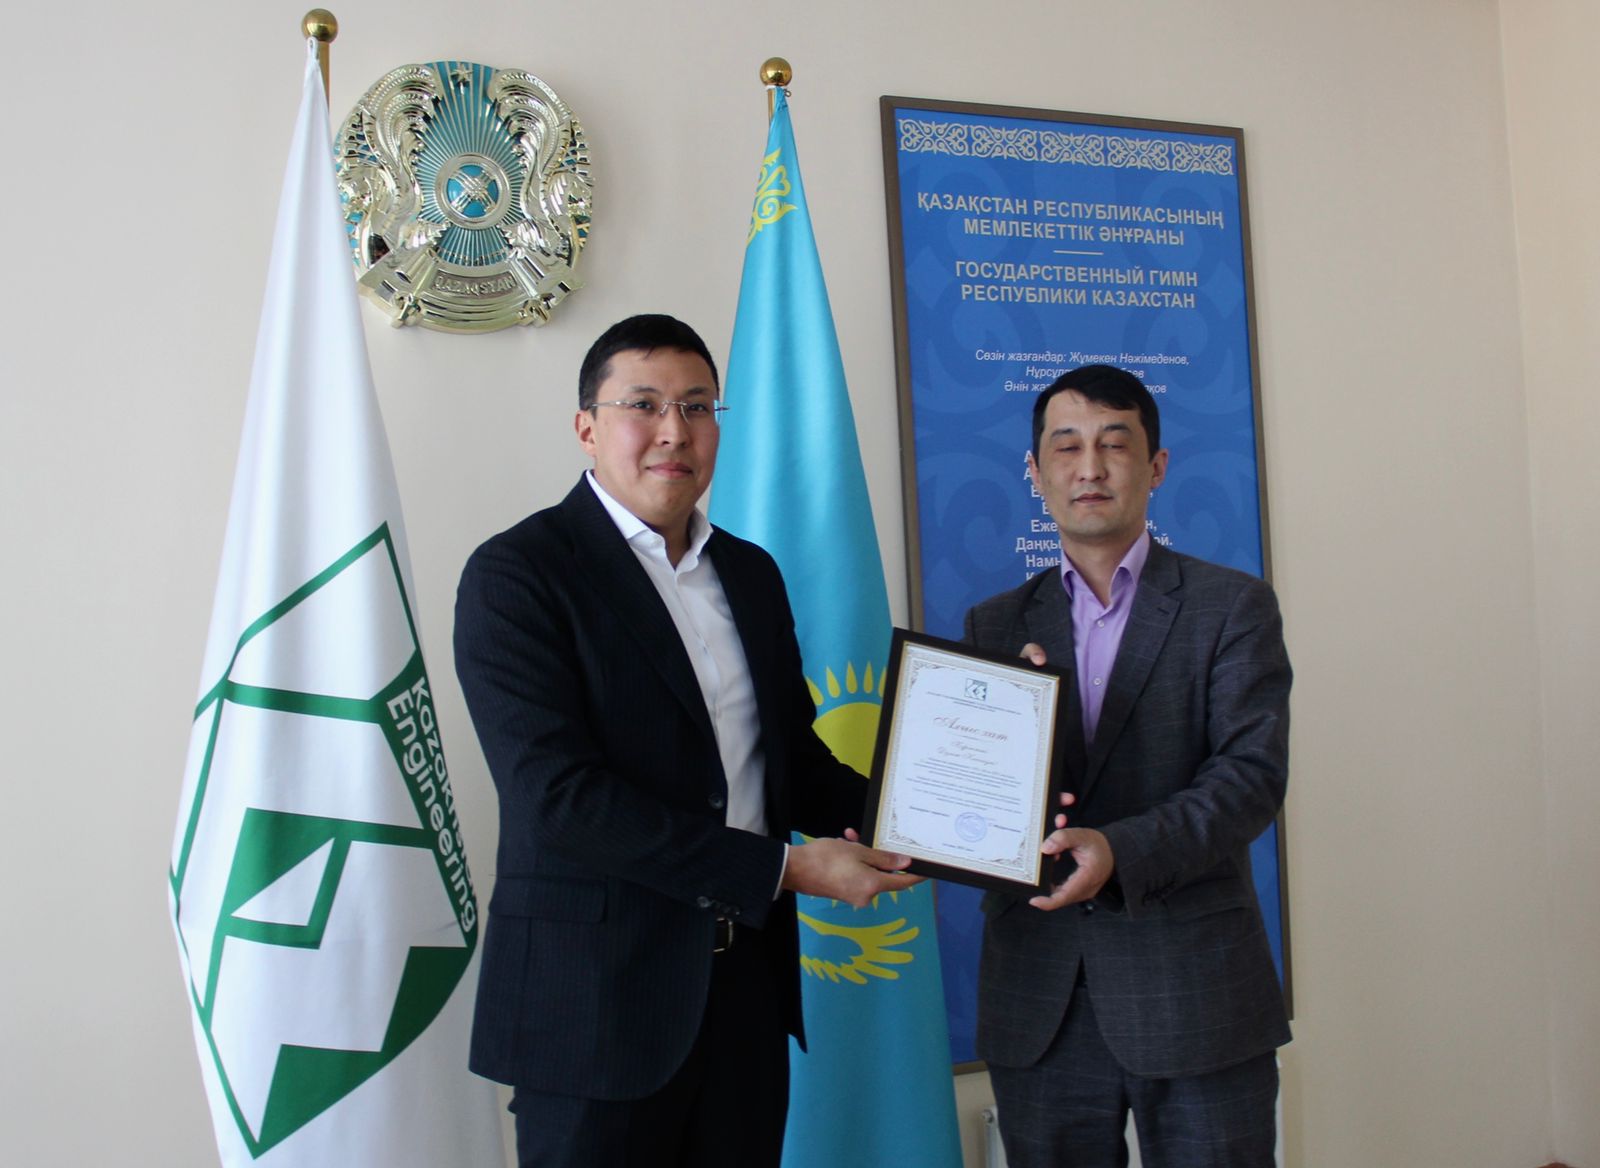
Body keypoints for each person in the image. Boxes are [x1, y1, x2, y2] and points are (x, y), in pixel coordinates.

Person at [452, 313, 917, 1168]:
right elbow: (559, 802)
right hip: (594, 1013)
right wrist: (783, 870)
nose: (675, 430)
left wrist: (942, 823)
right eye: (645, 405)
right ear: (587, 427)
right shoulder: (519, 574)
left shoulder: (749, 572)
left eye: (698, 406)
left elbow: (793, 763)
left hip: (744, 998)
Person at [965, 364, 1292, 1168]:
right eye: (1066, 446)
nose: (1090, 467)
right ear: (1035, 471)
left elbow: (1249, 779)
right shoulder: (995, 624)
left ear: (1157, 466)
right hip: (1040, 997)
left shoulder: (1232, 606)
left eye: (1115, 445)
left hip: (1196, 992)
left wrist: (1120, 850)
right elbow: (979, 790)